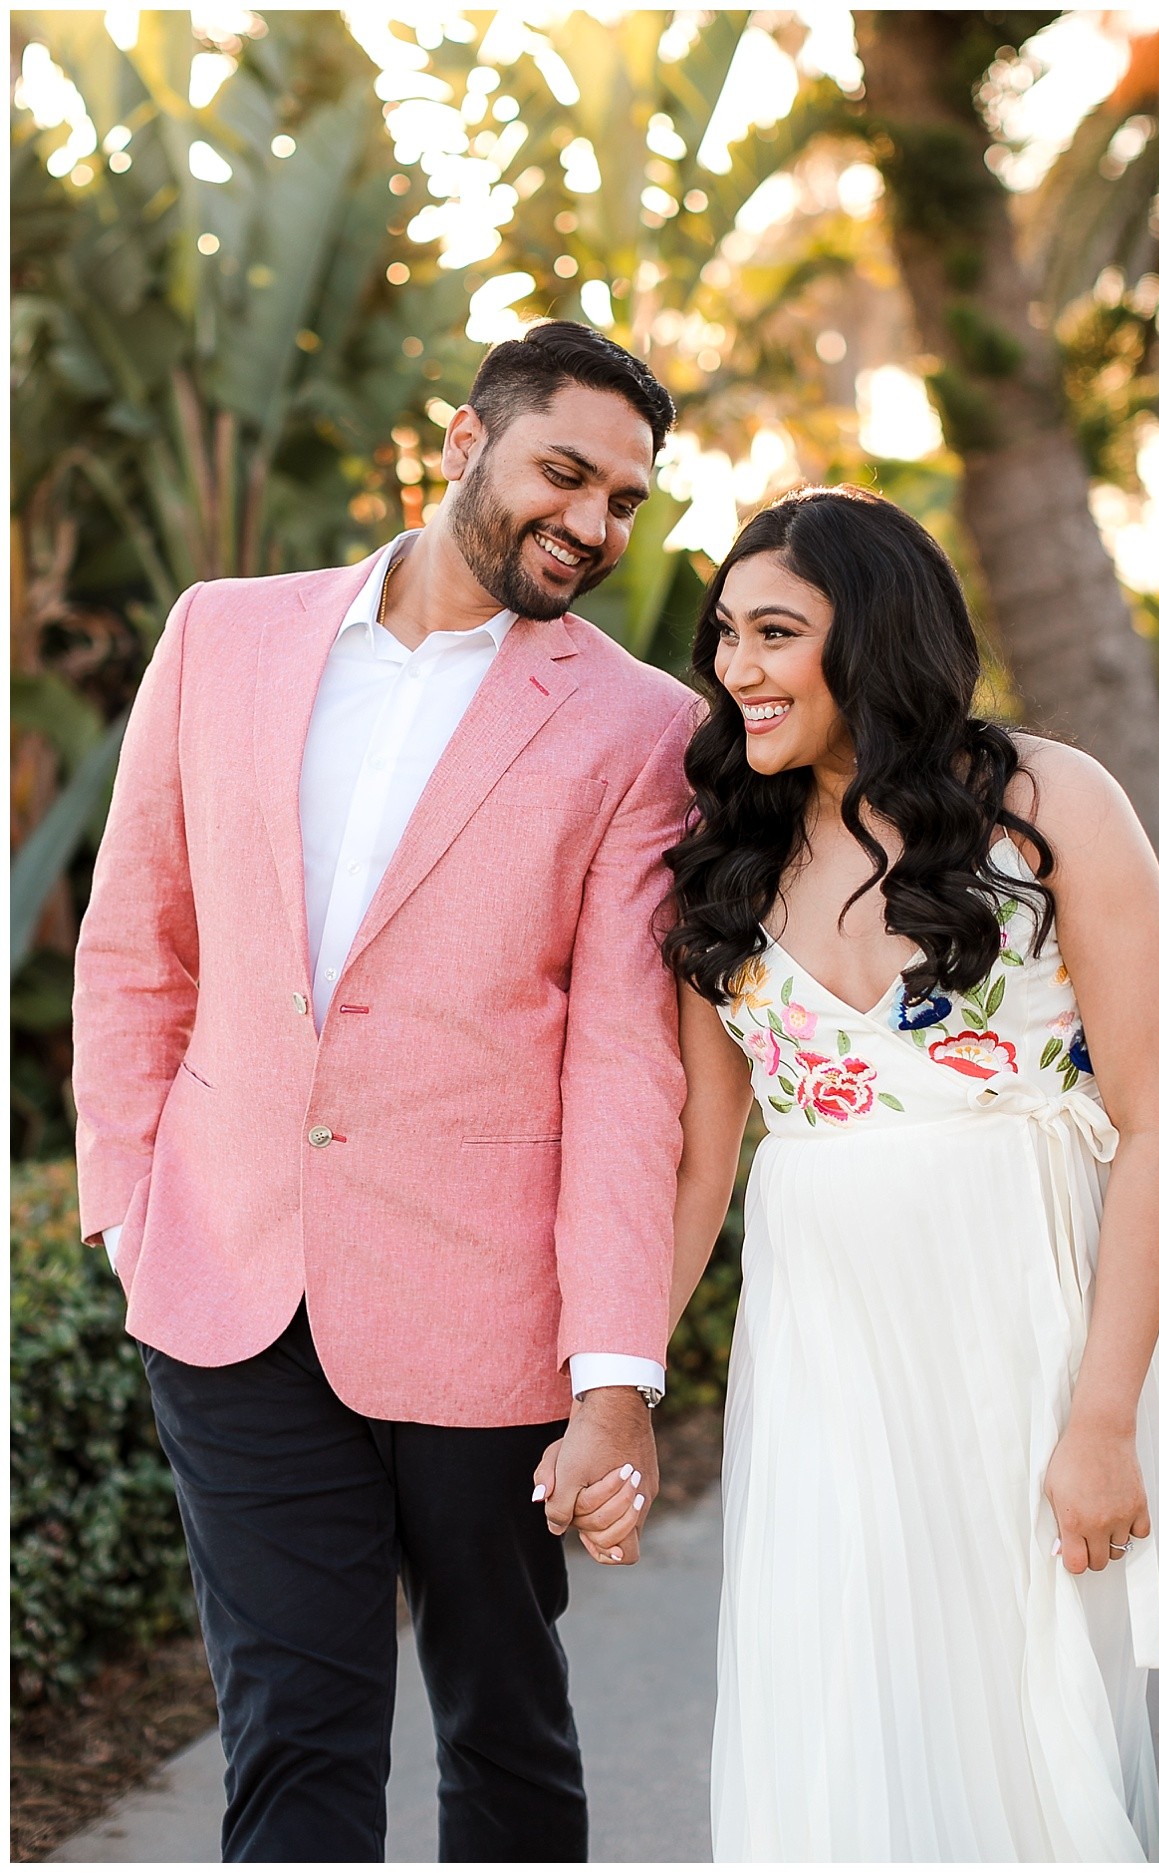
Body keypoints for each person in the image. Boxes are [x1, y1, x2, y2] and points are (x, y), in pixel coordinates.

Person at [70, 320, 695, 1860]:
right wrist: (128, 1211)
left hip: (488, 1315)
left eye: (624, 501)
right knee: (293, 1726)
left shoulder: (642, 729)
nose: (593, 525)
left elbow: (628, 1065)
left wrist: (616, 1371)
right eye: (566, 472)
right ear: (464, 436)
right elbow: (138, 940)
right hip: (226, 1286)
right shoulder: (224, 633)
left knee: (504, 1724)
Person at [648, 485, 1159, 1860]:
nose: (738, 668)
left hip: (1028, 1318)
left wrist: (1104, 1417)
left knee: (1022, 1721)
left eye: (777, 632)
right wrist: (618, 1386)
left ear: (876, 635)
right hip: (826, 1345)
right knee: (841, 1696)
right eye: (726, 634)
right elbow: (703, 1165)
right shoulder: (727, 853)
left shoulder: (1048, 800)